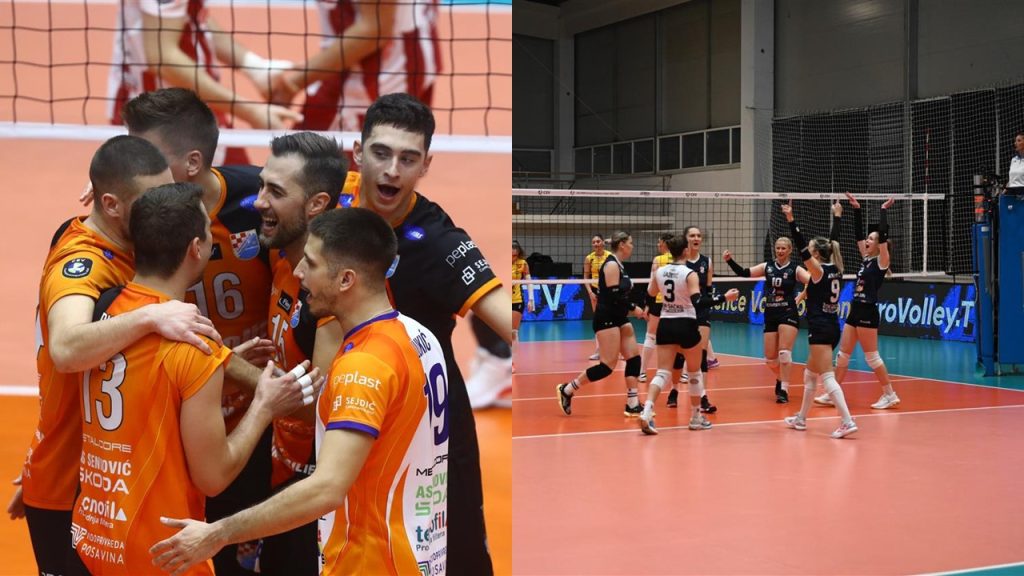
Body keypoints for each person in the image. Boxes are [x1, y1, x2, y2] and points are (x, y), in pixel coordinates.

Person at [150, 208, 450, 576]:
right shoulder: (419, 336)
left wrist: (217, 533)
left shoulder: (364, 365)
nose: (298, 272)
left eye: (311, 263)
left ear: (346, 279)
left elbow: (326, 488)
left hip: (370, 562)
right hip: (418, 556)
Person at [70, 183, 318, 575]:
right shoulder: (192, 345)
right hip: (162, 553)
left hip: (96, 538)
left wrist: (215, 378)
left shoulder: (107, 313)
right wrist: (264, 406)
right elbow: (213, 477)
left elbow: (146, 395)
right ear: (195, 249)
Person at [11, 135, 221, 576]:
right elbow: (66, 348)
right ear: (110, 205)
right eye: (148, 199)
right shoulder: (82, 265)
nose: (161, 207)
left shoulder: (121, 243)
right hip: (68, 484)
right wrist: (150, 317)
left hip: (97, 475)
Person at [338, 93, 509, 573]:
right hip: (351, 404)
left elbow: (507, 319)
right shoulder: (331, 198)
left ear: (426, 165)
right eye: (381, 153)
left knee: (456, 556)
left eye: (408, 159)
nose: (392, 170)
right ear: (358, 152)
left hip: (430, 426)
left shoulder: (435, 240)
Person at [121, 87, 280, 575]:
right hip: (183, 426)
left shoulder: (259, 198)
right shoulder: (134, 212)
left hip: (257, 426)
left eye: (148, 157)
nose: (135, 168)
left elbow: (330, 195)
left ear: (192, 162)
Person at [254, 131, 347, 574]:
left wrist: (217, 365)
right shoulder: (282, 255)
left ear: (316, 205)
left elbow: (321, 405)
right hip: (279, 466)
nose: (259, 201)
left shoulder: (330, 293)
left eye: (275, 191)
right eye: (261, 185)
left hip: (311, 488)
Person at [109, 0, 301, 164]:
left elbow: (193, 17)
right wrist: (252, 112)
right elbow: (163, 57)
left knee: (242, 188)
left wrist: (255, 67)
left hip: (192, 108)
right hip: (163, 120)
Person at [268, 0, 439, 133]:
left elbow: (375, 27)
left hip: (375, 77)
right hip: (407, 59)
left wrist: (292, 84)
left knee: (300, 161)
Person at [640, 234, 739, 434]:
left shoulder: (660, 271)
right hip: (686, 324)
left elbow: (649, 294)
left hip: (666, 323)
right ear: (685, 251)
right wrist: (724, 298)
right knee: (694, 373)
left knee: (662, 372)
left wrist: (652, 308)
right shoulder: (689, 273)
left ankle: (647, 410)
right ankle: (695, 418)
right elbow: (698, 302)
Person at [781, 201, 858, 438]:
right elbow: (833, 242)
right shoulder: (836, 267)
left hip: (821, 327)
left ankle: (847, 421)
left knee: (827, 377)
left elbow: (801, 247)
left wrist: (791, 219)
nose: (809, 251)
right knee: (809, 374)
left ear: (815, 255)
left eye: (812, 250)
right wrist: (838, 217)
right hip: (831, 326)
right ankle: (801, 419)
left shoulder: (818, 271)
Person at [815, 193, 899, 410]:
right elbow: (858, 236)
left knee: (871, 357)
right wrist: (857, 209)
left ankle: (890, 394)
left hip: (868, 311)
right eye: (868, 239)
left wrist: (883, 210)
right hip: (855, 309)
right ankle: (832, 393)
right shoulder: (867, 259)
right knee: (843, 355)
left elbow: (882, 235)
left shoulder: (882, 261)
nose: (867, 241)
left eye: (871, 239)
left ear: (879, 244)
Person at [557, 231, 646, 417]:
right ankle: (568, 389)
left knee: (634, 358)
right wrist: (633, 307)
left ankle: (632, 403)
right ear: (622, 245)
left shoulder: (619, 264)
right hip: (606, 318)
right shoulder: (611, 264)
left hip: (619, 317)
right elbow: (614, 296)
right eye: (630, 242)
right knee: (606, 367)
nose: (632, 246)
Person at [724, 236, 810, 404]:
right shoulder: (767, 267)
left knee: (784, 353)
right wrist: (729, 261)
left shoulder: (795, 269)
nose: (780, 251)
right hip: (770, 313)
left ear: (790, 250)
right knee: (770, 359)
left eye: (783, 248)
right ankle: (781, 378)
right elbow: (744, 273)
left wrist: (800, 297)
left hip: (788, 312)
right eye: (778, 248)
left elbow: (813, 282)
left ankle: (784, 389)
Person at [676, 226, 717, 413]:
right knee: (679, 353)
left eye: (699, 236)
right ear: (686, 239)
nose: (696, 238)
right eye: (692, 235)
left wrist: (708, 306)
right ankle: (673, 391)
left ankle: (703, 396)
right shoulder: (680, 263)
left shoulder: (707, 262)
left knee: (701, 354)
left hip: (701, 311)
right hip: (682, 311)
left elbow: (708, 289)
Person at [639, 233, 674, 385]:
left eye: (659, 242)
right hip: (676, 302)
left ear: (665, 243)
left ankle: (642, 372)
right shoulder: (681, 258)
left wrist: (647, 304)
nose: (658, 245)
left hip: (659, 301)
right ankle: (684, 374)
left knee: (650, 335)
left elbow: (651, 283)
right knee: (680, 337)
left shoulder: (658, 260)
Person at [583, 234, 610, 360]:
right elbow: (585, 277)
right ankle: (599, 351)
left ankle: (619, 351)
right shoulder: (589, 258)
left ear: (603, 243)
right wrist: (590, 292)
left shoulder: (610, 256)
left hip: (608, 290)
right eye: (593, 242)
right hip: (594, 290)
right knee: (598, 320)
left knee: (612, 319)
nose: (596, 244)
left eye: (598, 241)